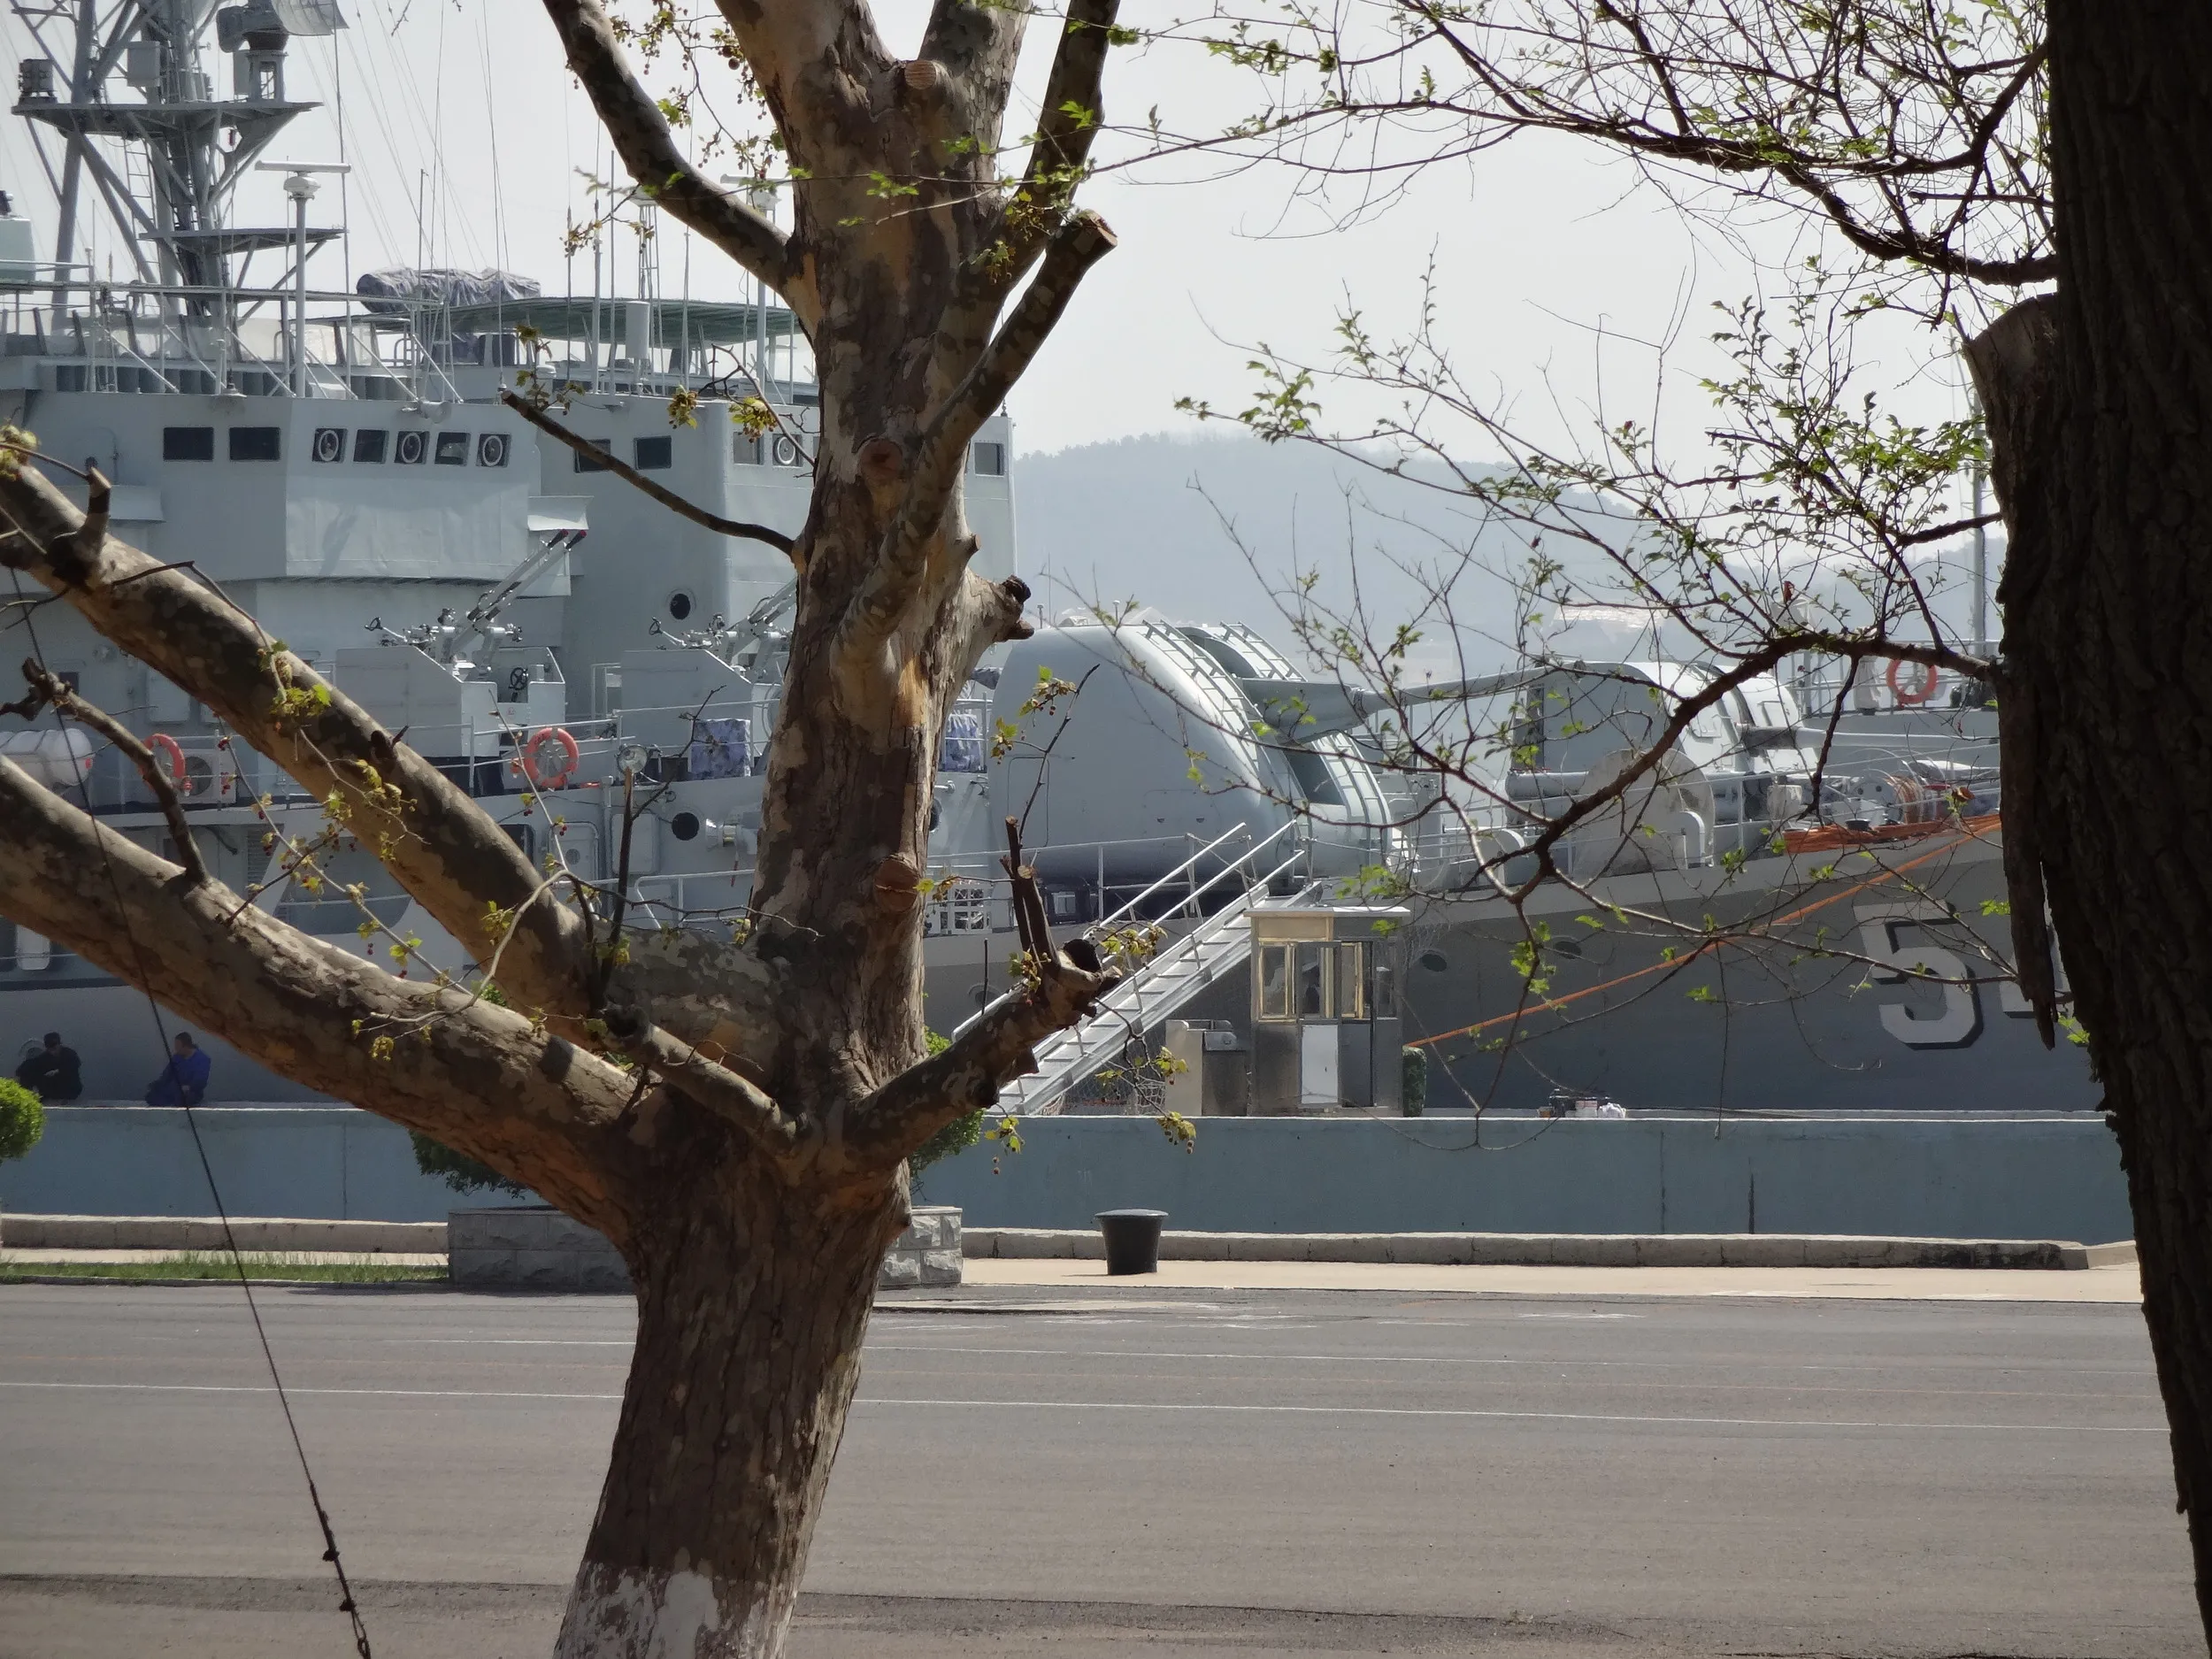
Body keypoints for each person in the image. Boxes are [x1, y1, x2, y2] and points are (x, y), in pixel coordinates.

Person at [143, 1032, 211, 1107]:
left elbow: (201, 1079)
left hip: (191, 1091)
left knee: (182, 1098)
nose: (176, 1049)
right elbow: (167, 1075)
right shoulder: (177, 1058)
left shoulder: (202, 1059)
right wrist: (157, 1085)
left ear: (186, 1046)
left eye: (178, 1047)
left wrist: (189, 1087)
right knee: (152, 1096)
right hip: (174, 1089)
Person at [14, 1031, 81, 1102]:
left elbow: (74, 1065)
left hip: (69, 1087)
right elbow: (32, 1063)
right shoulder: (46, 1057)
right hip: (53, 1087)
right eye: (50, 1048)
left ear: (59, 1044)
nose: (52, 1051)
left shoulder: (69, 1054)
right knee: (32, 1073)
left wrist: (58, 1071)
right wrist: (19, 1072)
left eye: (54, 1047)